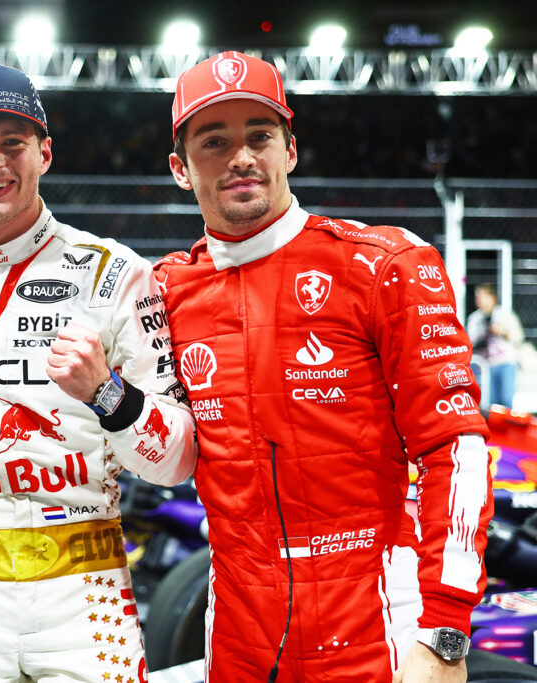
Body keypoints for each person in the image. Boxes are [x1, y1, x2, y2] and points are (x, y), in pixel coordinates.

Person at [154, 52, 493, 683]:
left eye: (260, 136)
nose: (241, 157)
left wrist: (445, 629)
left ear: (290, 151)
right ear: (180, 168)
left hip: (379, 629)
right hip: (238, 640)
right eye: (214, 141)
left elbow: (456, 449)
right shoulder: (164, 292)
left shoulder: (385, 265)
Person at [0, 62, 198, 681]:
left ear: (44, 153)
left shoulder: (115, 272)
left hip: (86, 590)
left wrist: (108, 395)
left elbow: (177, 460)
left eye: (11, 143)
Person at [467, 283, 524, 408]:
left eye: (483, 297)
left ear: (493, 298)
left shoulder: (505, 315)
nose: (479, 300)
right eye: (478, 297)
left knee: (505, 401)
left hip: (505, 363)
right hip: (485, 365)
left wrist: (501, 332)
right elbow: (470, 342)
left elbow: (518, 338)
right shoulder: (475, 319)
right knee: (489, 403)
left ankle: (506, 421)